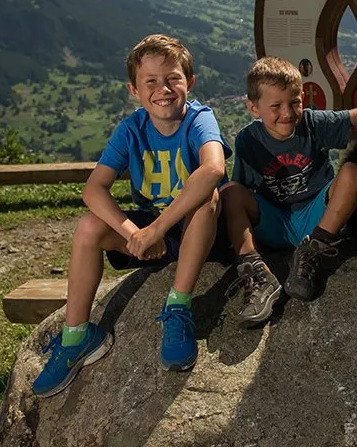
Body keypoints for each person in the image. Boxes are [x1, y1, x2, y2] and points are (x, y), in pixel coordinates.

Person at [32, 34, 231, 397]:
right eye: (150, 82)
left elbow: (213, 169)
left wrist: (156, 229)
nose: (164, 89)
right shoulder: (131, 129)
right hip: (153, 231)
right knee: (88, 226)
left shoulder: (200, 119)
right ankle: (77, 336)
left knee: (207, 197)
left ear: (191, 82)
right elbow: (93, 190)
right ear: (134, 90)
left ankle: (178, 306)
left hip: (202, 233)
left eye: (173, 78)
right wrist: (132, 233)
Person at [220, 56, 357, 325]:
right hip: (274, 220)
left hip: (317, 216)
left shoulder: (311, 123)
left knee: (353, 172)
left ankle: (312, 251)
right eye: (275, 106)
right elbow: (242, 193)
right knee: (230, 192)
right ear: (254, 108)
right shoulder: (248, 140)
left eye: (294, 102)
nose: (287, 113)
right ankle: (256, 271)